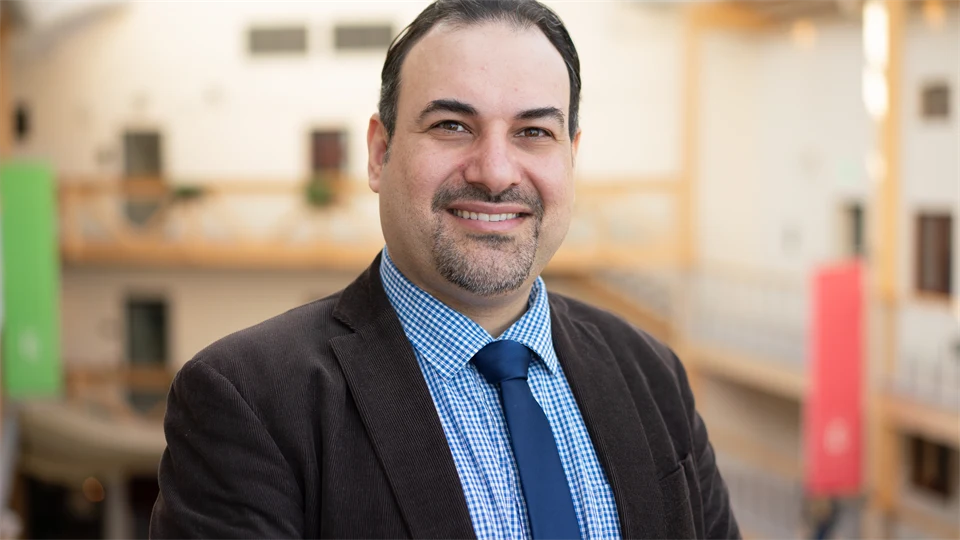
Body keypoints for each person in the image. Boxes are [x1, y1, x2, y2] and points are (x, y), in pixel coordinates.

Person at [149, 1, 740, 539]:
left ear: (571, 156)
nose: (495, 171)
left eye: (534, 132)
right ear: (380, 153)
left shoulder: (652, 373)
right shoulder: (248, 402)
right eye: (452, 126)